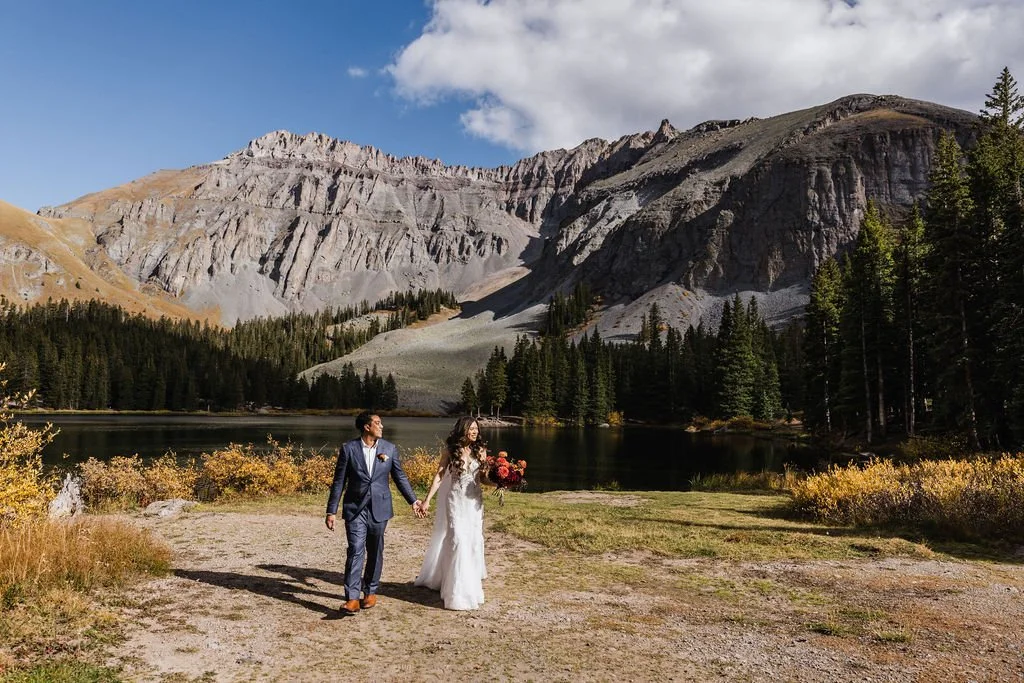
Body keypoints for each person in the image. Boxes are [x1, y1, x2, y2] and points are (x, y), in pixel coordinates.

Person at [325, 411, 425, 615]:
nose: (382, 426)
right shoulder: (349, 449)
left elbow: (400, 477)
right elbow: (339, 482)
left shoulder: (389, 448)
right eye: (377, 423)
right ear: (366, 427)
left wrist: (413, 501)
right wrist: (331, 511)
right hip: (355, 509)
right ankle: (352, 598)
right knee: (355, 550)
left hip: (380, 508)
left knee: (375, 550)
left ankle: (369, 592)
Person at [414, 416, 488, 610]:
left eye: (476, 429)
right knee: (457, 540)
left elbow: (484, 478)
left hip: (474, 502)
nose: (474, 432)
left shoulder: (481, 450)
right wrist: (427, 500)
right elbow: (439, 476)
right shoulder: (450, 450)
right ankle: (455, 591)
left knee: (471, 542)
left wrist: (502, 480)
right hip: (455, 499)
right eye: (471, 428)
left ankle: (468, 584)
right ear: (462, 429)